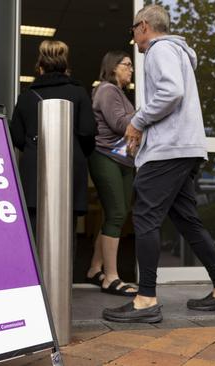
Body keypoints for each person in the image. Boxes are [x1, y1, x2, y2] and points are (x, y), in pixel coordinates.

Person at [103, 5, 215, 324]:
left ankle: (145, 299)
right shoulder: (177, 52)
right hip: (185, 148)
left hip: (168, 150)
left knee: (145, 217)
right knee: (188, 220)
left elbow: (170, 92)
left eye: (133, 32)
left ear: (143, 27)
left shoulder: (159, 49)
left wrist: (137, 122)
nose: (134, 41)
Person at [10, 40, 96, 235]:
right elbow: (88, 132)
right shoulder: (79, 93)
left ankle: (35, 267)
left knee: (33, 230)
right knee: (65, 231)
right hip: (70, 168)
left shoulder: (26, 97)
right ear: (66, 67)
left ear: (40, 68)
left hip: (35, 170)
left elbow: (16, 136)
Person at [85, 51, 138, 296]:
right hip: (105, 157)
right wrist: (145, 113)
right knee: (117, 213)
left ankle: (96, 268)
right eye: (127, 65)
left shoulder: (120, 94)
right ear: (113, 67)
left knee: (115, 214)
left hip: (123, 161)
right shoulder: (107, 90)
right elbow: (119, 124)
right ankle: (111, 278)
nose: (131, 69)